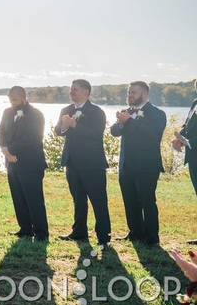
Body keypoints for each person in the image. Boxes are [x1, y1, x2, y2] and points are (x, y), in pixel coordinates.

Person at [55, 79, 111, 246]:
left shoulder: (96, 112)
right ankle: (79, 232)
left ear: (87, 92)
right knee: (78, 199)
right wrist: (64, 127)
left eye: (76, 90)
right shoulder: (66, 109)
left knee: (98, 200)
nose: (72, 92)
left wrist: (74, 125)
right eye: (71, 90)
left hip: (92, 164)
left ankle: (103, 236)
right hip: (72, 162)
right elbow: (58, 130)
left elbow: (96, 133)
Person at [111, 81, 167, 245]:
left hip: (147, 166)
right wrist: (121, 122)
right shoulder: (127, 112)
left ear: (144, 94)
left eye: (133, 92)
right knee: (130, 200)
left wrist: (129, 121)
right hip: (126, 165)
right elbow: (114, 131)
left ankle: (151, 237)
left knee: (147, 201)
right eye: (128, 93)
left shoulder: (157, 113)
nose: (129, 96)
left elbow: (152, 135)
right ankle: (135, 232)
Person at [0, 86, 49, 241]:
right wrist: (5, 151)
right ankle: (25, 229)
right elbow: (0, 132)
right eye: (10, 99)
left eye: (15, 99)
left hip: (31, 163)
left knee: (34, 199)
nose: (12, 102)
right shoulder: (7, 112)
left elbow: (33, 138)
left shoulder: (36, 115)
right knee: (18, 197)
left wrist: (11, 151)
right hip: (11, 163)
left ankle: (41, 232)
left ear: (23, 97)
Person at [173, 80, 197, 244]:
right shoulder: (195, 102)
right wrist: (180, 138)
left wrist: (189, 141)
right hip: (193, 155)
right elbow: (188, 124)